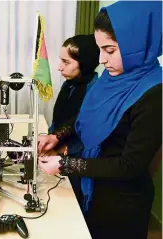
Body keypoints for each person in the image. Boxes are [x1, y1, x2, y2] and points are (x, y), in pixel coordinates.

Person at [38, 1, 162, 238]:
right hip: (93, 189)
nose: (102, 60)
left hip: (122, 205)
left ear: (136, 43)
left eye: (110, 50)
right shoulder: (111, 76)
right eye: (100, 50)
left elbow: (130, 165)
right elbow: (84, 117)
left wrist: (66, 165)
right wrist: (57, 136)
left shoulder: (155, 93)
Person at [44, 34, 100, 201]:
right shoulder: (69, 84)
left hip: (79, 166)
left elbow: (91, 139)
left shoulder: (95, 93)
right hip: (57, 157)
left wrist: (62, 150)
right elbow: (59, 121)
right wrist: (48, 138)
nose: (59, 68)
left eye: (66, 62)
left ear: (85, 63)